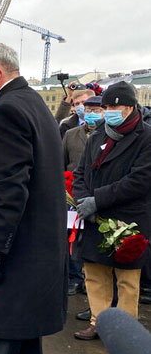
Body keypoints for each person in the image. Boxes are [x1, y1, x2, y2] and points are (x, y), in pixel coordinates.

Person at [0, 43, 67, 354]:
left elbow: (9, 191)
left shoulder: (6, 111)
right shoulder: (32, 103)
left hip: (12, 263)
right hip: (35, 264)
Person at [72, 81, 151, 341]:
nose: (108, 111)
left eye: (114, 106)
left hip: (129, 217)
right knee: (95, 273)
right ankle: (99, 322)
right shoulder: (98, 136)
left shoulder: (146, 137)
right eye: (106, 106)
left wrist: (98, 200)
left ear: (130, 107)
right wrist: (85, 201)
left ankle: (124, 329)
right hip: (94, 216)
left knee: (127, 278)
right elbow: (81, 173)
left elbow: (139, 181)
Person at [62, 95, 104, 297]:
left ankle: (93, 282)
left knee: (94, 238)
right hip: (72, 195)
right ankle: (74, 278)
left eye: (96, 110)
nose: (90, 114)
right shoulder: (71, 134)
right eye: (87, 110)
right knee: (73, 238)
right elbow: (62, 162)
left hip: (98, 196)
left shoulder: (108, 135)